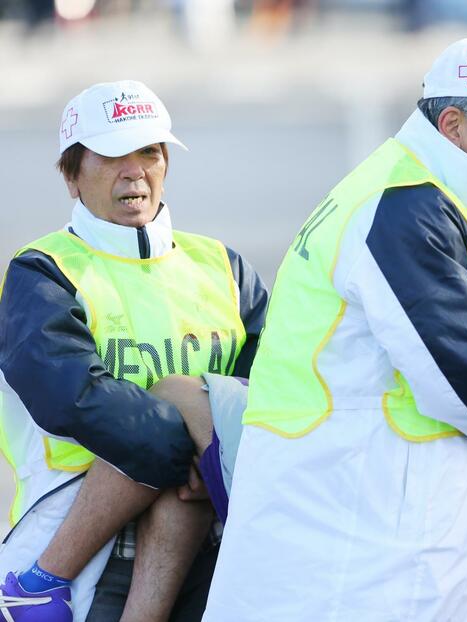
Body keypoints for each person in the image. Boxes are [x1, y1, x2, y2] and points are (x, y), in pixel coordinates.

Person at [201, 35, 467, 622]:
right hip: (353, 532)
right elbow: (458, 375)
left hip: (368, 520)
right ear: (453, 124)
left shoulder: (422, 194)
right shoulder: (407, 204)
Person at [0, 80, 268, 622]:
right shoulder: (40, 271)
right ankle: (33, 582)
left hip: (210, 539)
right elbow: (72, 400)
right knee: (182, 402)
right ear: (71, 176)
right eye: (109, 156)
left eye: (148, 151)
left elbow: (271, 392)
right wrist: (203, 450)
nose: (134, 171)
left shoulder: (223, 265)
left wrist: (216, 457)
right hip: (81, 549)